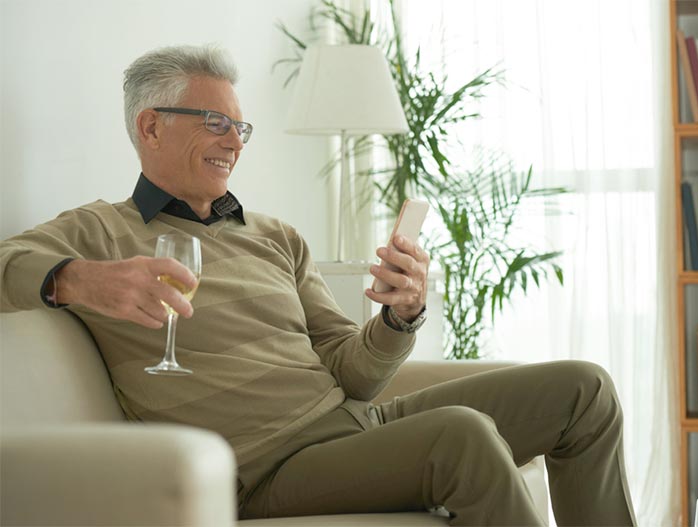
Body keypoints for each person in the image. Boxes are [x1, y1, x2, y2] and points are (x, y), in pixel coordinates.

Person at [0, 45, 636, 526]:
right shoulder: (97, 233)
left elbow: (353, 373)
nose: (234, 143)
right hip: (268, 468)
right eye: (214, 123)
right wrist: (78, 281)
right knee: (462, 434)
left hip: (357, 422)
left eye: (240, 128)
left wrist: (397, 318)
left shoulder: (274, 235)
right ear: (150, 127)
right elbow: (8, 262)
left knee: (583, 389)